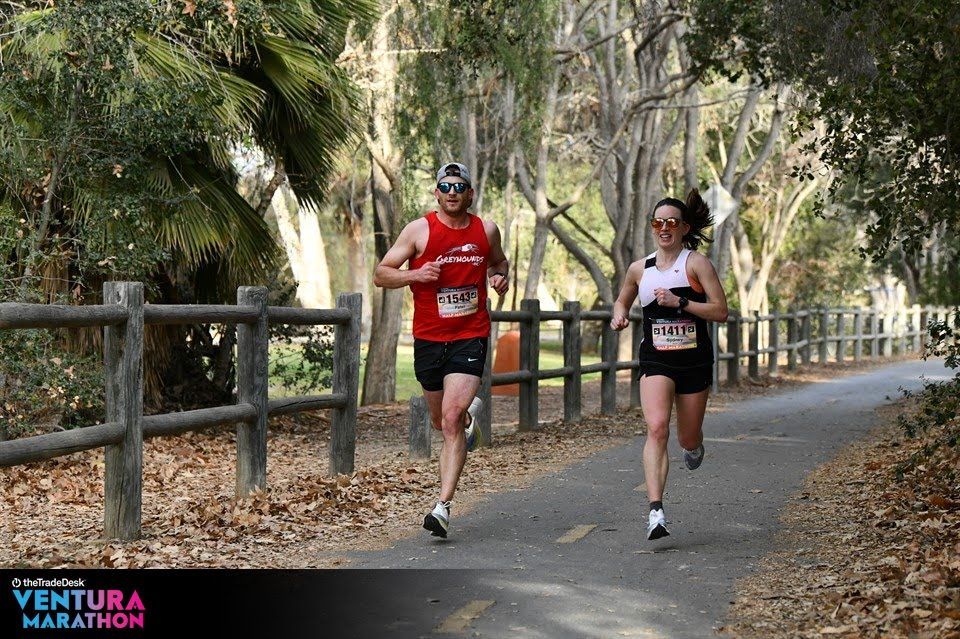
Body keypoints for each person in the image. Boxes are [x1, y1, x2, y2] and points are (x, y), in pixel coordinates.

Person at [373, 162, 509, 539]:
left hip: (471, 334)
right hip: (429, 339)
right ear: (437, 193)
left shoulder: (486, 230)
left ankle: (443, 507)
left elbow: (499, 261)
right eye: (445, 186)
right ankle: (469, 424)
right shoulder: (419, 230)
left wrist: (500, 277)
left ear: (470, 194)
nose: (452, 192)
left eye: (459, 186)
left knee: (449, 419)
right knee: (441, 422)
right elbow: (382, 273)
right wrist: (414, 275)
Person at [610, 189, 728, 541]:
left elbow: (721, 311)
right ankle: (656, 511)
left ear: (683, 227)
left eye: (671, 222)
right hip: (656, 358)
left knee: (686, 437)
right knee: (657, 428)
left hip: (693, 361)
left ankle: (694, 447)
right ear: (653, 227)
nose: (664, 228)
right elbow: (622, 299)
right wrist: (619, 315)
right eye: (658, 222)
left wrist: (681, 303)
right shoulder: (639, 269)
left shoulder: (696, 264)